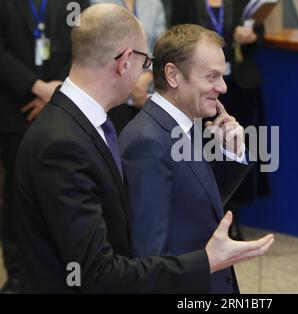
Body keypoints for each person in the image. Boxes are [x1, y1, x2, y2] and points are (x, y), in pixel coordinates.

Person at [15, 4, 274, 293]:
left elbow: (188, 205)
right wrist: (207, 261)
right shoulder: (64, 142)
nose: (145, 72)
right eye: (145, 61)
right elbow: (101, 269)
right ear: (125, 61)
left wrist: (229, 154)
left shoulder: (88, 126)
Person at [119, 24, 261, 294]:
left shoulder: (183, 124)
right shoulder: (147, 142)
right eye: (211, 77)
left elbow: (194, 204)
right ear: (172, 74)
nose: (222, 87)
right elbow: (150, 262)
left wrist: (230, 152)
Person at [0, 0, 90, 293]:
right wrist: (37, 88)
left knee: (63, 187)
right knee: (15, 191)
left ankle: (68, 264)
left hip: (64, 100)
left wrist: (56, 88)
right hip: (16, 105)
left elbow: (85, 42)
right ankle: (16, 269)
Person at [171, 0, 270, 241]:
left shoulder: (241, 3)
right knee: (205, 148)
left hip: (238, 85)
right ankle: (208, 216)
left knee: (237, 147)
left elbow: (259, 33)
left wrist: (250, 37)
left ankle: (234, 216)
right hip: (199, 88)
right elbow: (176, 38)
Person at [90, 0, 167, 133]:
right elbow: (99, 47)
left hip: (146, 92)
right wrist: (130, 79)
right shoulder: (99, 3)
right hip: (113, 93)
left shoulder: (154, 4)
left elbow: (162, 47)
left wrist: (148, 75)